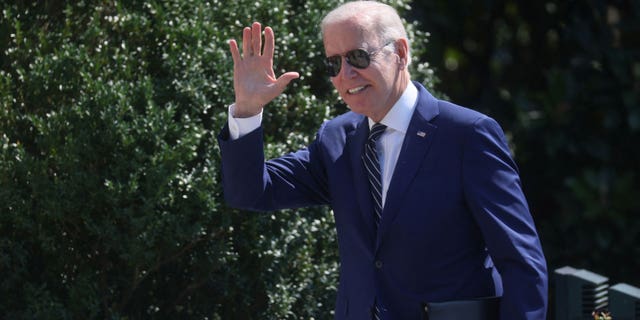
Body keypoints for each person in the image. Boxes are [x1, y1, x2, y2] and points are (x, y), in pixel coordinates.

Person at [218, 1, 548, 319]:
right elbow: (251, 192)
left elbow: (521, 261)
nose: (345, 74)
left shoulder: (467, 136)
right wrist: (247, 110)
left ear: (401, 53)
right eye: (333, 63)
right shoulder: (337, 139)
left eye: (358, 57)